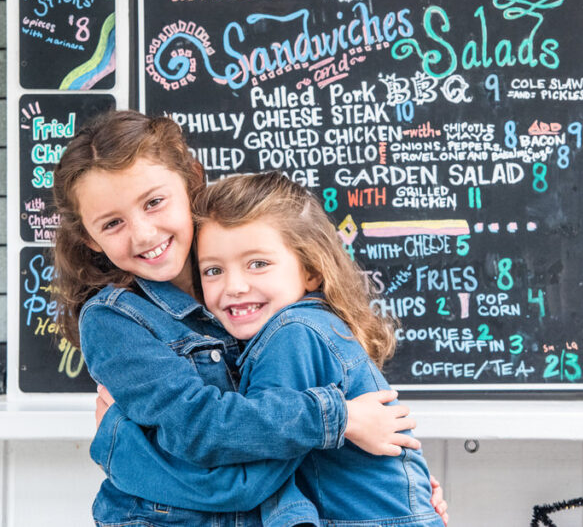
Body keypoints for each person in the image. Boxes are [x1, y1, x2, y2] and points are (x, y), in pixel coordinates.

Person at [50, 110, 444, 527]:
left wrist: (399, 491)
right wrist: (340, 419)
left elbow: (292, 451)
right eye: (113, 223)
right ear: (89, 238)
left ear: (189, 183)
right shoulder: (114, 319)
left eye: (154, 202)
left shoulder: (256, 286)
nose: (144, 234)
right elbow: (204, 430)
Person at [187, 171, 445, 526]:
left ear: (310, 270)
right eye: (213, 270)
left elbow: (256, 463)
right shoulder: (310, 324)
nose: (234, 286)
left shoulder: (292, 333)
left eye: (258, 264)